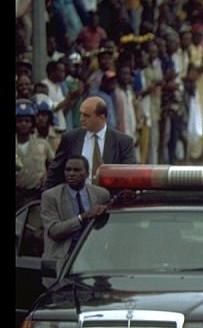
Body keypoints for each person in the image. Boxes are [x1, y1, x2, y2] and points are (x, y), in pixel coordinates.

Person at [40, 154, 110, 282]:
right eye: (68, 170)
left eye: (77, 170)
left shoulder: (101, 194)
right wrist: (82, 217)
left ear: (87, 173)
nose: (71, 174)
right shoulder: (51, 197)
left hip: (94, 259)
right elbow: (53, 230)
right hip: (63, 259)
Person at [43, 96, 137, 190]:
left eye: (86, 115)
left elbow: (129, 176)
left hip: (110, 199)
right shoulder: (70, 138)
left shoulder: (123, 142)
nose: (81, 119)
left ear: (101, 118)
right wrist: (44, 197)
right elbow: (55, 171)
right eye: (81, 114)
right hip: (76, 199)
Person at [16, 99, 54, 210]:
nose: (23, 124)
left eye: (27, 121)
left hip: (35, 196)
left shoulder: (42, 144)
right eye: (19, 121)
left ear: (32, 123)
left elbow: (53, 166)